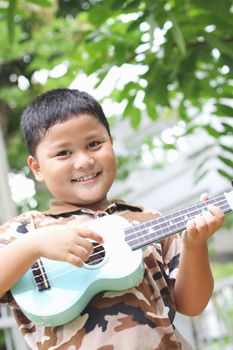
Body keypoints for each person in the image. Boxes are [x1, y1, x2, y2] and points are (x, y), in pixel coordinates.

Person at [0, 88, 224, 350]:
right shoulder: (27, 229)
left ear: (111, 143)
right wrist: (33, 245)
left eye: (94, 144)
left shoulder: (148, 220)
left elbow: (192, 305)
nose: (84, 161)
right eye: (63, 153)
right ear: (37, 167)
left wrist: (195, 246)